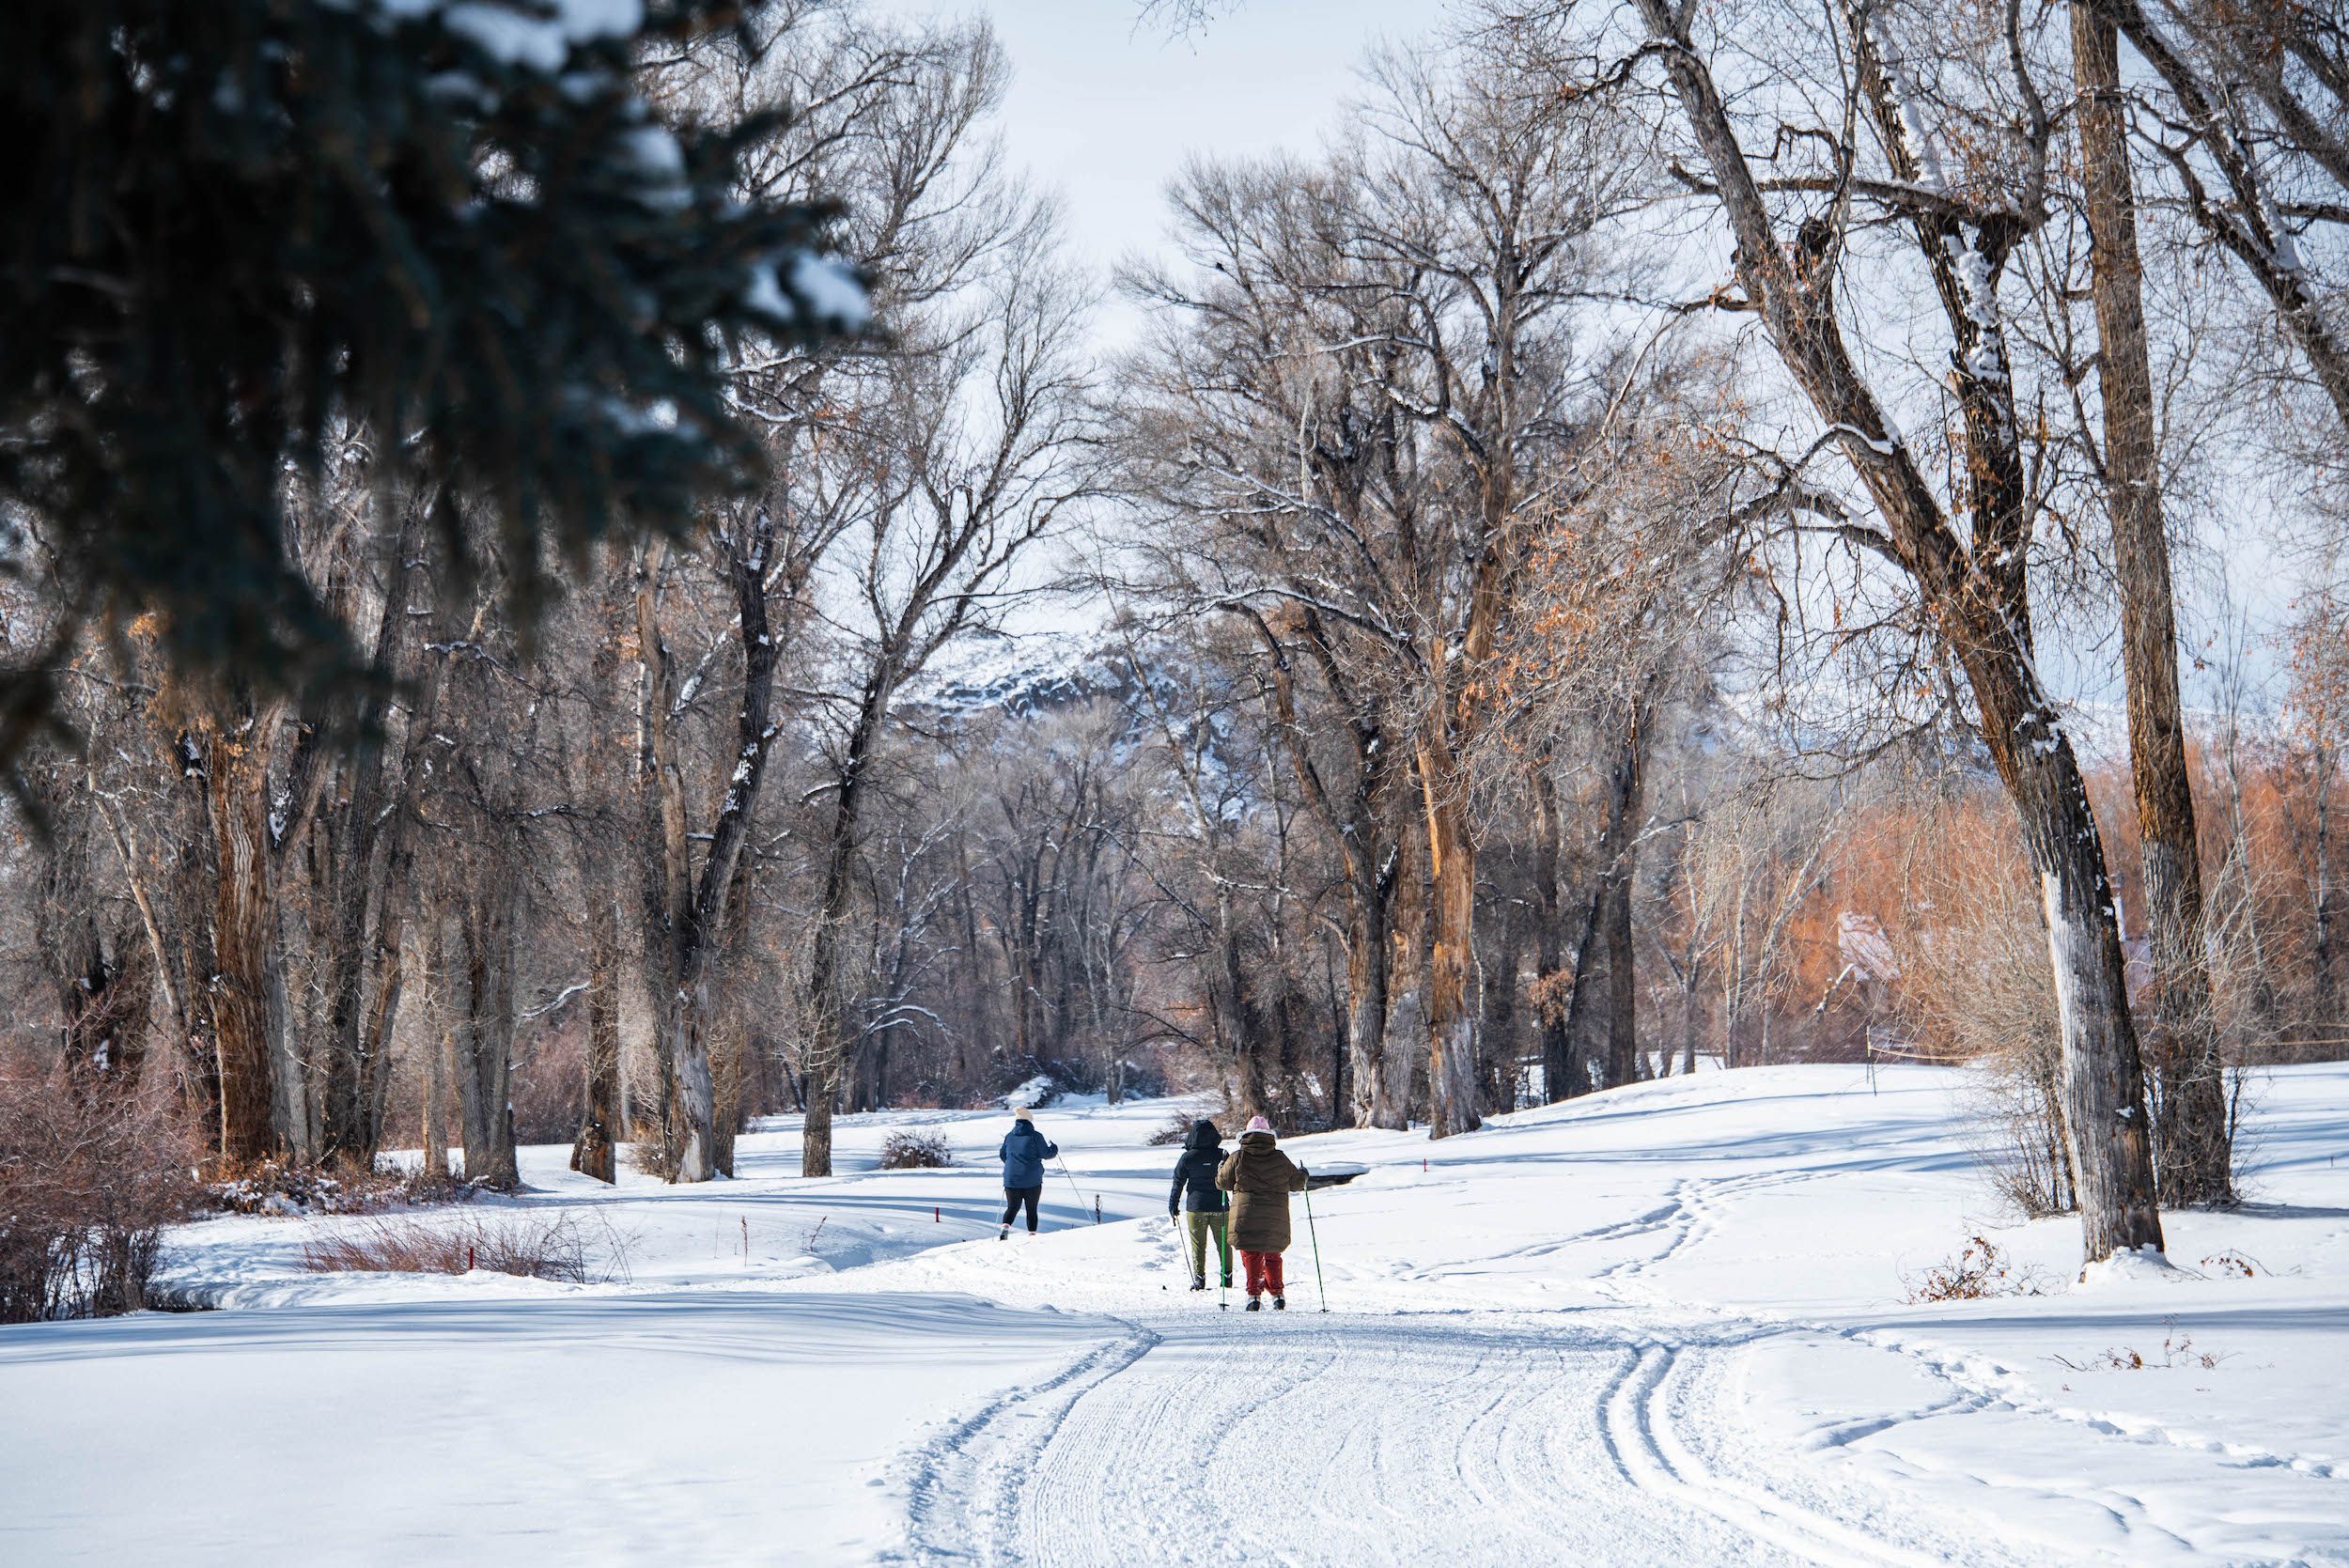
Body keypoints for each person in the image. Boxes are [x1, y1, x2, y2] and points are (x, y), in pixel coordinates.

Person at [1216, 1114, 1307, 1311]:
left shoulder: (1238, 1156)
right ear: (1269, 1135)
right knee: (1273, 1254)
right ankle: (1277, 1294)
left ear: (1246, 1134)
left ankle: (1254, 1296)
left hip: (1246, 1215)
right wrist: (1304, 1174)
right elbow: (1297, 1184)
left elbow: (1222, 1183)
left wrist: (1221, 1167)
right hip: (1275, 1216)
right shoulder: (1279, 1158)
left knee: (1251, 1254)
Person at [1166, 1119, 1232, 1292]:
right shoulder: (1223, 1154)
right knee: (1224, 1243)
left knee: (1198, 1245)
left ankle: (1199, 1278)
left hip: (1196, 1207)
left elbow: (1178, 1183)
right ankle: (1227, 1277)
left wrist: (1173, 1204)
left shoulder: (1187, 1157)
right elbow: (1234, 1179)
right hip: (1221, 1205)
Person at [997, 1106, 1058, 1239]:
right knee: (1031, 1209)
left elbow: (1003, 1155)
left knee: (1012, 1207)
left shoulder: (1009, 1136)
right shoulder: (1036, 1136)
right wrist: (1054, 1148)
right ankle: (1032, 1236)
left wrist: (1013, 1164)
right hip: (1032, 1179)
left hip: (1011, 1179)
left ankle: (1004, 1230)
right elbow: (1046, 1154)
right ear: (1030, 1122)